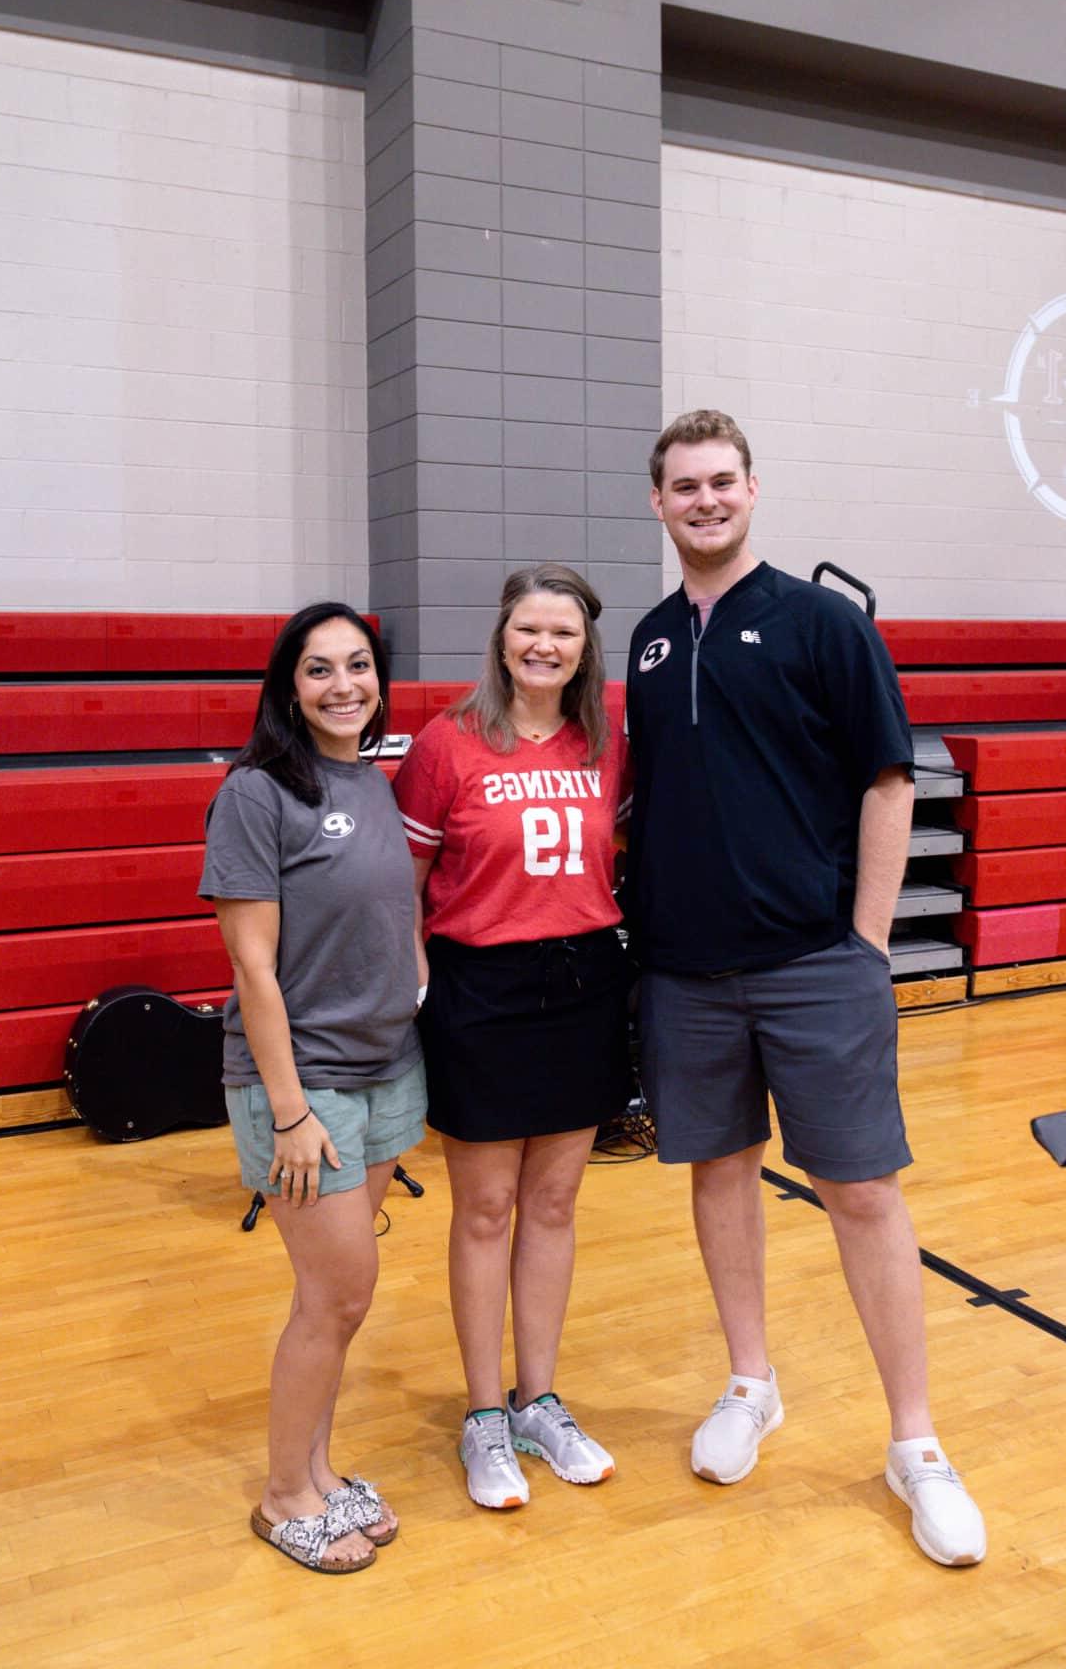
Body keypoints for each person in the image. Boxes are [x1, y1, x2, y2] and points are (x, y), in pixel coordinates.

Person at [623, 410, 986, 1569]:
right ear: (657, 503)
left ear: (752, 490)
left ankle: (915, 1445)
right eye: (683, 487)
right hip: (683, 972)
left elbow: (890, 781)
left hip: (812, 967)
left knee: (862, 1195)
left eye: (720, 482)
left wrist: (868, 945)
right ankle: (750, 1381)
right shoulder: (642, 642)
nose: (703, 500)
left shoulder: (822, 623)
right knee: (718, 1175)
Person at [392, 563, 631, 1511]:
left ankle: (541, 1399)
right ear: (501, 637)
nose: (544, 646)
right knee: (486, 1210)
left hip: (582, 983)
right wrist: (417, 989)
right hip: (479, 988)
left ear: (585, 647)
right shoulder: (446, 745)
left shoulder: (606, 746)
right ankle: (483, 1415)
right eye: (529, 628)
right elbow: (401, 886)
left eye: (563, 633)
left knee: (558, 1203)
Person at [198, 601, 426, 1575]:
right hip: (305, 1088)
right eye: (320, 670)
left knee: (337, 1298)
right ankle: (282, 1494)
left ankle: (321, 1472)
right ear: (287, 687)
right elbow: (252, 967)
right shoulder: (257, 793)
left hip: (387, 1074)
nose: (344, 686)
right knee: (336, 1297)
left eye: (358, 666)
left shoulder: (369, 780)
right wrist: (288, 1113)